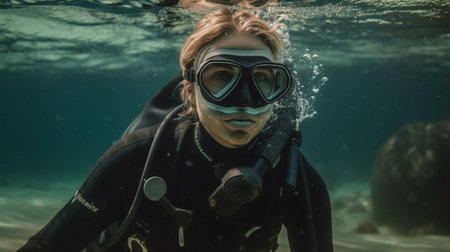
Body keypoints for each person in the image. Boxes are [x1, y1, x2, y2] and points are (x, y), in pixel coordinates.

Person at [18, 8, 333, 252]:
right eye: (222, 77)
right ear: (190, 89)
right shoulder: (134, 159)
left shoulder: (295, 181)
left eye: (264, 78)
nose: (246, 103)